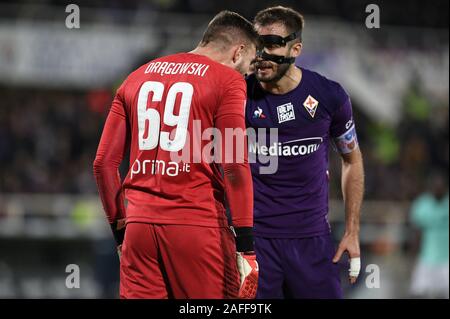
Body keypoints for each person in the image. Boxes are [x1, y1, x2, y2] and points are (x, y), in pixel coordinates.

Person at [93, 11, 259, 299]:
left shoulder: (136, 77)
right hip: (197, 227)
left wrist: (122, 235)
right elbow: (233, 164)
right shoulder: (228, 81)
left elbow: (103, 165)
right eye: (247, 67)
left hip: (139, 229)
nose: (246, 75)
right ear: (238, 52)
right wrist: (246, 246)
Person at [245, 6, 364, 298]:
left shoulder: (329, 96)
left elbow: (352, 160)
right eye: (257, 44)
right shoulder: (236, 94)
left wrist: (352, 230)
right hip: (254, 244)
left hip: (312, 243)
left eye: (272, 44)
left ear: (296, 48)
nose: (261, 54)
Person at [410, 172, 449, 298]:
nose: (438, 189)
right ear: (431, 187)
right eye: (435, 186)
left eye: (441, 186)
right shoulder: (422, 205)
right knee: (418, 293)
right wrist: (413, 257)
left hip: (447, 259)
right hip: (427, 258)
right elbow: (417, 233)